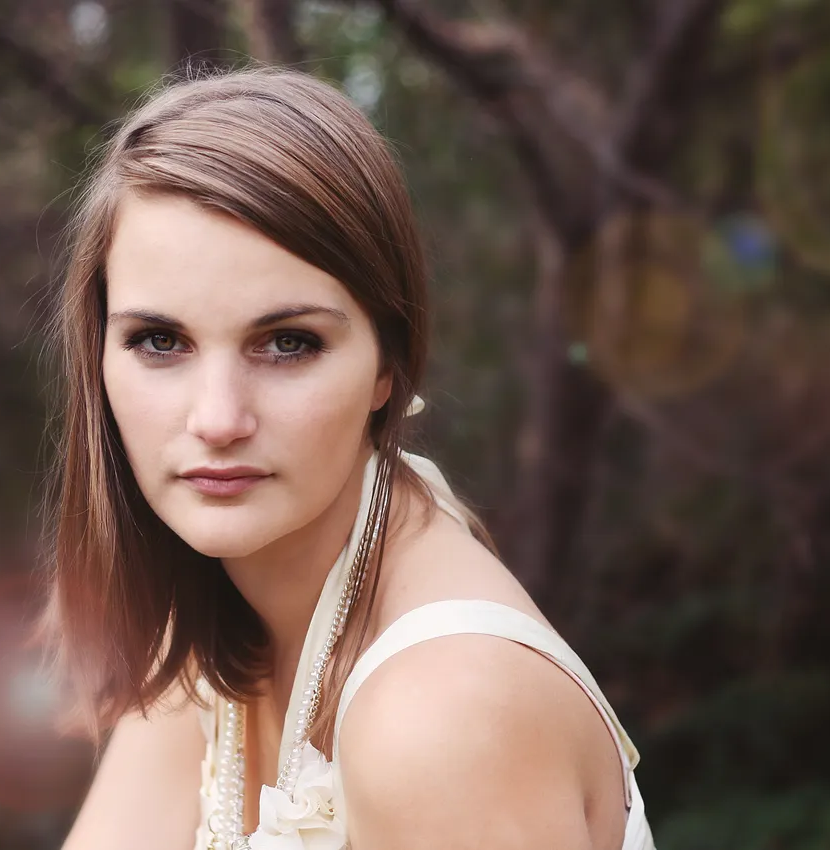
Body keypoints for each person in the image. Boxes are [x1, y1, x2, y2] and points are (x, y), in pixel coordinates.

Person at [42, 66, 654, 850]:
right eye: (160, 341)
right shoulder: (215, 614)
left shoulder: (443, 718)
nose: (218, 418)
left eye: (288, 343)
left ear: (389, 367)